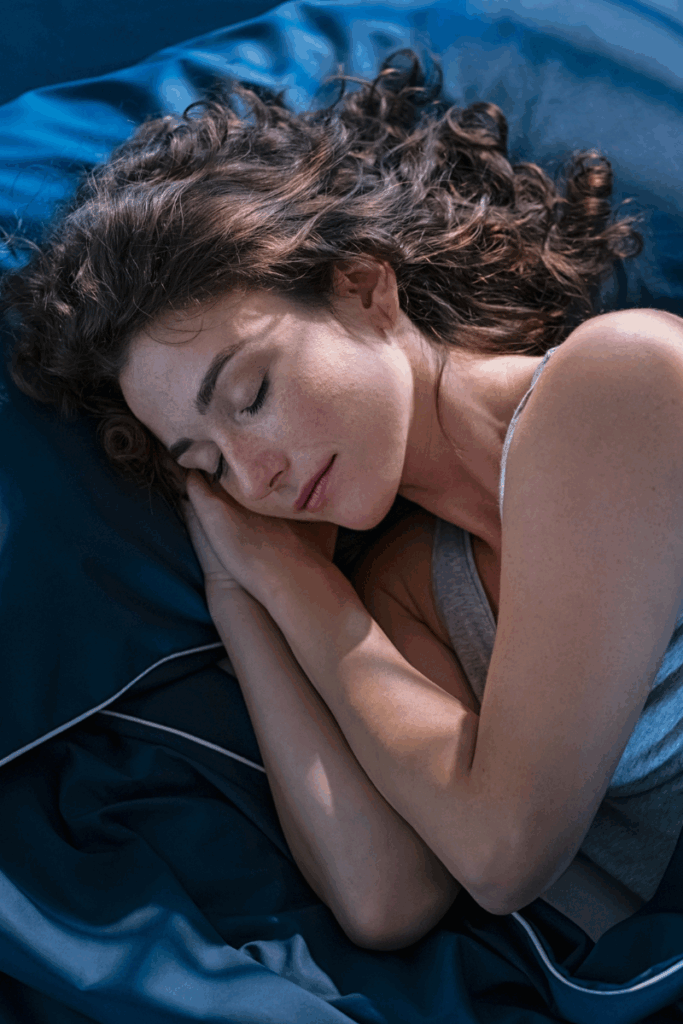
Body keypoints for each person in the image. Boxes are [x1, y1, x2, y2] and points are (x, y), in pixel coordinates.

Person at [5, 50, 682, 950]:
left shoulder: (618, 381)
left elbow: (501, 850)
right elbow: (385, 896)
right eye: (205, 465)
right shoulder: (413, 594)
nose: (255, 479)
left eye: (249, 395)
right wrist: (249, 595)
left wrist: (308, 597)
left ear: (364, 288)